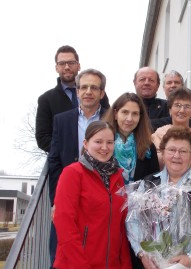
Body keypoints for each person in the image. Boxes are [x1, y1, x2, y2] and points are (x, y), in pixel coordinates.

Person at [128, 126, 191, 269]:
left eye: (183, 151)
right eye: (171, 150)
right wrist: (142, 253)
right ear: (163, 152)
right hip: (153, 264)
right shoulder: (148, 183)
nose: (176, 156)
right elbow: (133, 221)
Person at [47, 68, 107, 268]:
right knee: (62, 247)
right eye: (84, 87)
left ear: (102, 93)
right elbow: (54, 161)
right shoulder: (62, 120)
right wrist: (56, 199)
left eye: (94, 87)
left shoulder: (111, 119)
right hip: (69, 191)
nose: (88, 91)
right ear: (78, 90)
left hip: (98, 194)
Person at [53, 121, 132, 269]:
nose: (104, 147)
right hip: (76, 264)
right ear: (85, 143)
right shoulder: (73, 173)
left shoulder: (118, 177)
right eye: (98, 142)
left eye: (109, 142)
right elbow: (64, 224)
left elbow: (121, 228)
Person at [35, 45, 109, 152]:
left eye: (71, 63)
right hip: (63, 165)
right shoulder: (46, 100)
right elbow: (42, 137)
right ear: (56, 68)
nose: (66, 67)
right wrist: (66, 153)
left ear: (78, 66)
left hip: (98, 159)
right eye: (61, 63)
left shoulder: (97, 93)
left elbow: (108, 121)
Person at [102, 92, 160, 184]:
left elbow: (153, 184)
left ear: (140, 117)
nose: (129, 119)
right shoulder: (102, 145)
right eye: (125, 112)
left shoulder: (148, 148)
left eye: (135, 114)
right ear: (116, 114)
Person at [152, 88, 191, 176]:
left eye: (187, 106)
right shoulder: (156, 136)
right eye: (178, 105)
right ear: (170, 110)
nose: (182, 110)